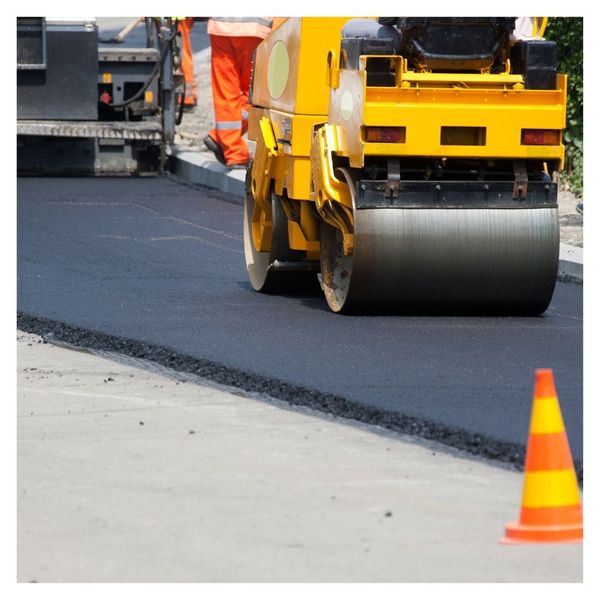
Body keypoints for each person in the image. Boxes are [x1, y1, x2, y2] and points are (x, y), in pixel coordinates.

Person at [203, 17, 276, 169]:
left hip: (220, 26)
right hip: (255, 28)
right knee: (259, 94)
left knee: (226, 93)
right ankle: (229, 146)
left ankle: (230, 147)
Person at [177, 17, 197, 109]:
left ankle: (186, 98)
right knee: (182, 53)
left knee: (181, 55)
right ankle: (187, 96)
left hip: (176, 19)